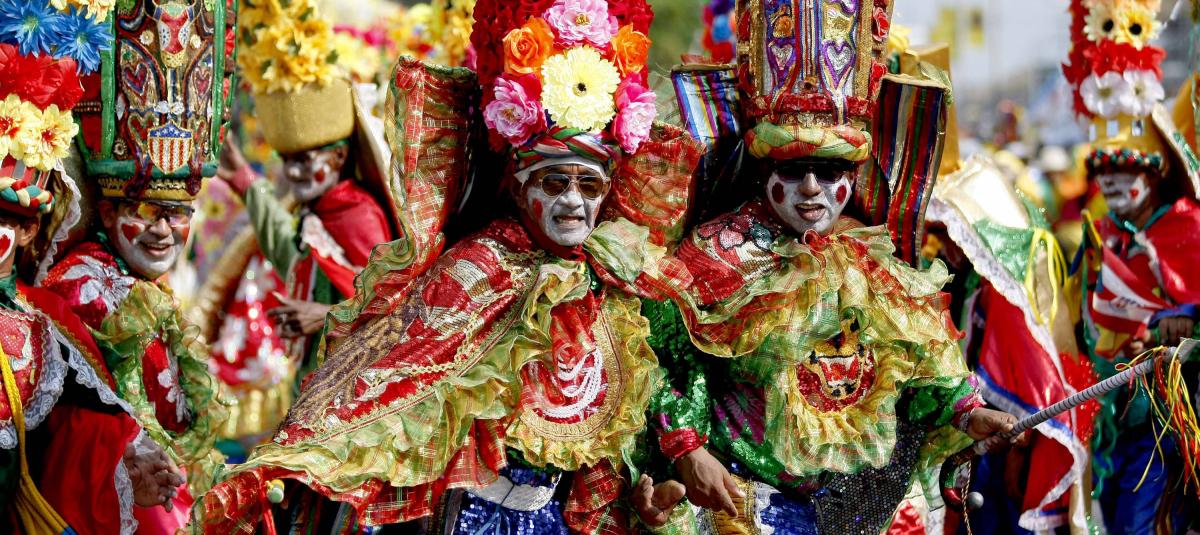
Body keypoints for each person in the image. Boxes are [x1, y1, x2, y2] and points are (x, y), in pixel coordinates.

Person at [200, 0, 706, 532]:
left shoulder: (615, 277)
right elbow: (381, 389)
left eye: (591, 185)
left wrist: (647, 493)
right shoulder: (475, 271)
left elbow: (638, 423)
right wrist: (287, 464)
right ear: (517, 186)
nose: (575, 204)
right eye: (555, 183)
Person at [635, 1, 1021, 532]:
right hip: (742, 511)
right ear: (765, 169)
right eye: (795, 170)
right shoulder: (714, 255)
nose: (813, 189)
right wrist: (687, 448)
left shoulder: (868, 256)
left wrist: (967, 413)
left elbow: (914, 364)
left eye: (830, 169)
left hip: (854, 510)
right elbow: (666, 367)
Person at [40, 1, 234, 531]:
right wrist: (125, 463)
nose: (162, 230)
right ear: (106, 211)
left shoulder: (145, 282)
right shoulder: (82, 284)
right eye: (145, 210)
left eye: (177, 214)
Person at [0, 6, 184, 529]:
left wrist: (124, 466)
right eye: (146, 212)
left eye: (9, 217)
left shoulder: (47, 326)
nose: (162, 230)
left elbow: (84, 431)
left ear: (35, 229)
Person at [1062, 0, 1200, 532]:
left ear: (1155, 172)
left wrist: (1182, 315)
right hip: (1116, 405)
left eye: (1127, 169)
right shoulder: (1107, 234)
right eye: (1105, 173)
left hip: (1176, 406)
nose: (1114, 183)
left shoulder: (1188, 224)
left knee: (1140, 520)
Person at [925, 155, 1095, 533]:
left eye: (952, 232)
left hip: (1011, 440)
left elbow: (1035, 384)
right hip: (974, 434)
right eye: (941, 233)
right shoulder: (966, 282)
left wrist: (1023, 445)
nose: (945, 246)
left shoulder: (1007, 295)